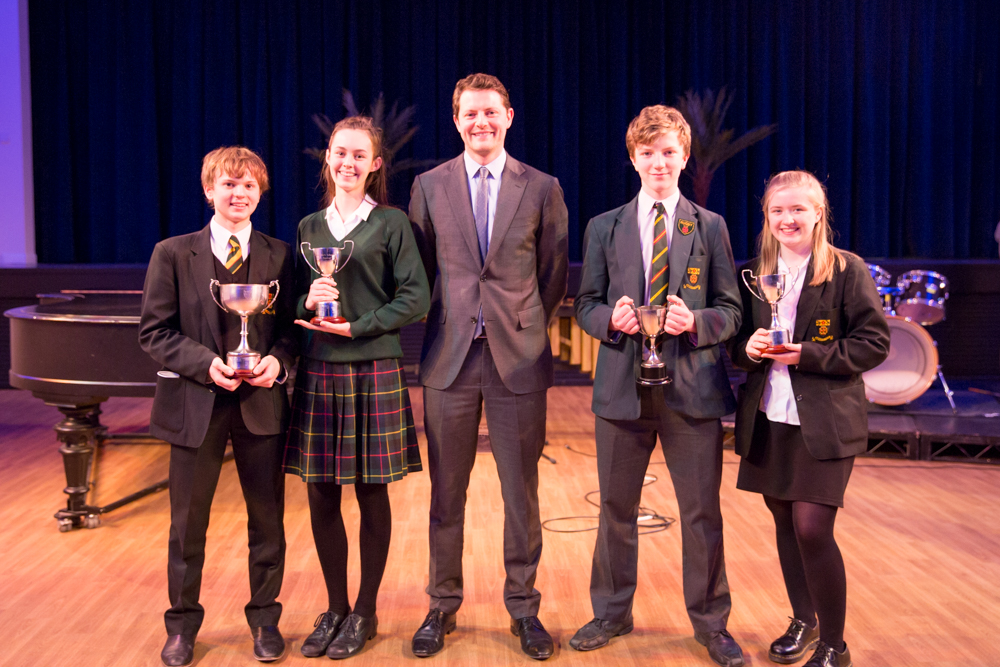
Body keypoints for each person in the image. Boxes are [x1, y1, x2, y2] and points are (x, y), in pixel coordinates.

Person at [573, 105, 745, 666]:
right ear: (632, 158)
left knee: (701, 513)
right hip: (623, 387)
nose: (659, 162)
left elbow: (732, 311)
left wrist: (695, 322)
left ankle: (711, 624)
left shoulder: (710, 226)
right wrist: (609, 321)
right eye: (647, 153)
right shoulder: (605, 226)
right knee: (615, 511)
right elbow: (585, 305)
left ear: (684, 155)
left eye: (669, 151)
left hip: (692, 390)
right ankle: (611, 613)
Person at [408, 73, 568, 660]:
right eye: (470, 114)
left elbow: (552, 275)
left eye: (491, 113)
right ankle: (441, 607)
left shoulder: (542, 187)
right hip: (448, 360)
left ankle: (524, 609)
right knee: (447, 494)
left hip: (517, 362)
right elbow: (421, 272)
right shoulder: (427, 186)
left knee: (520, 493)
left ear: (509, 117)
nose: (481, 122)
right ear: (456, 120)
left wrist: (519, 324)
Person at [139, 146, 297, 666]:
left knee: (268, 519)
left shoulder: (279, 254)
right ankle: (182, 627)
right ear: (209, 189)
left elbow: (294, 332)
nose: (239, 194)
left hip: (261, 405)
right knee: (188, 524)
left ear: (260, 193)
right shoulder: (171, 253)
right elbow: (154, 333)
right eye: (229, 184)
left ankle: (265, 621)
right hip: (196, 405)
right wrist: (205, 363)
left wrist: (276, 361)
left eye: (249, 186)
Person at [728, 170, 889, 667]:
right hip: (770, 418)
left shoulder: (846, 270)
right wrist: (749, 349)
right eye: (778, 210)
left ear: (819, 213)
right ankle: (803, 619)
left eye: (798, 209)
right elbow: (736, 348)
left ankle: (834, 646)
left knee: (813, 527)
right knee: (784, 524)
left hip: (824, 423)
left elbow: (874, 343)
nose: (787, 218)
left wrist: (808, 355)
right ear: (766, 217)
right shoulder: (754, 273)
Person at [285, 115, 429, 660]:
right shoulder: (308, 228)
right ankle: (335, 607)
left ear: (374, 165)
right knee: (320, 494)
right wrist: (309, 304)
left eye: (358, 155)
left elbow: (416, 299)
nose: (347, 163)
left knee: (372, 494)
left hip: (373, 366)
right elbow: (296, 300)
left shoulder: (391, 224)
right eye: (338, 153)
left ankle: (365, 611)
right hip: (319, 367)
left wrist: (359, 325)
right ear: (328, 158)